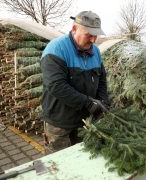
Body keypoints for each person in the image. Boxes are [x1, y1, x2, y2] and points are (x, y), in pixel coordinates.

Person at [40, 11, 109, 153]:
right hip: (60, 120)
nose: (93, 40)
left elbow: (101, 78)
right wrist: (88, 103)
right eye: (89, 35)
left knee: (82, 158)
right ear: (74, 29)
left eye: (95, 35)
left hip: (84, 120)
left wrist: (103, 101)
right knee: (57, 163)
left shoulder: (95, 51)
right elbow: (56, 85)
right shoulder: (56, 49)